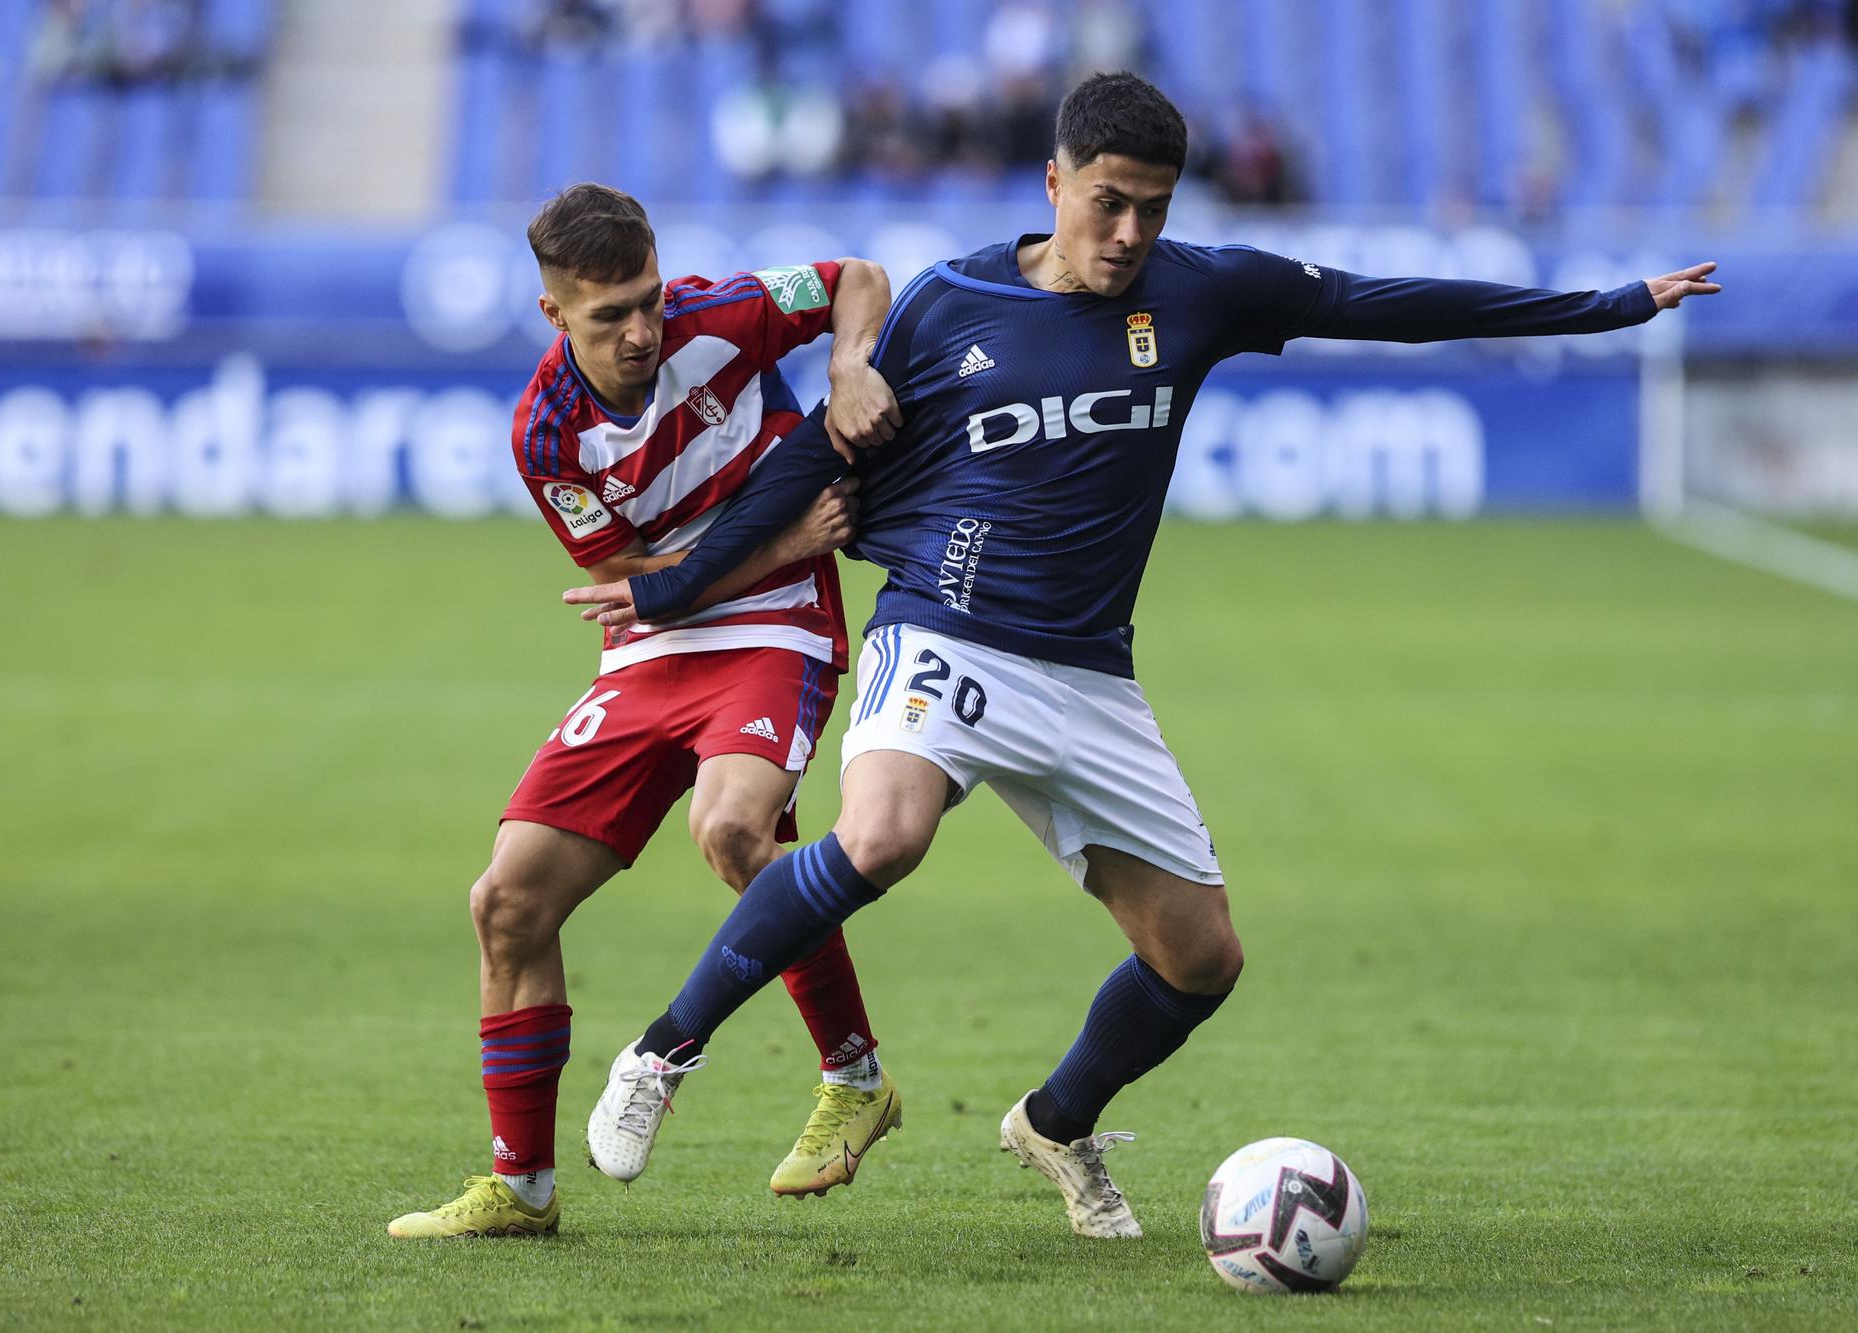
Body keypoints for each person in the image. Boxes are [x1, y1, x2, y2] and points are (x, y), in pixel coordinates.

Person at [562, 72, 1722, 1240]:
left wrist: (1604, 306)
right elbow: (815, 458)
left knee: (1198, 960)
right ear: (1054, 180)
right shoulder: (948, 303)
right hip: (945, 626)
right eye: (1107, 202)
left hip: (1087, 674)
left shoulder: (1199, 291)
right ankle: (662, 1052)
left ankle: (1055, 1122)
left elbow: (1386, 302)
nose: (1128, 234)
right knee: (881, 834)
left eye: (1152, 209)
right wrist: (668, 590)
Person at [387, 184, 905, 1239]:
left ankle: (855, 1078)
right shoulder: (546, 432)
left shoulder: (720, 318)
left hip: (773, 623)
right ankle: (520, 1187)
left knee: (732, 829)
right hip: (667, 636)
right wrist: (779, 538)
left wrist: (847, 363)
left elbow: (857, 278)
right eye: (605, 316)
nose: (638, 333)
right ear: (551, 317)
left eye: (645, 301)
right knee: (507, 901)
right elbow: (633, 578)